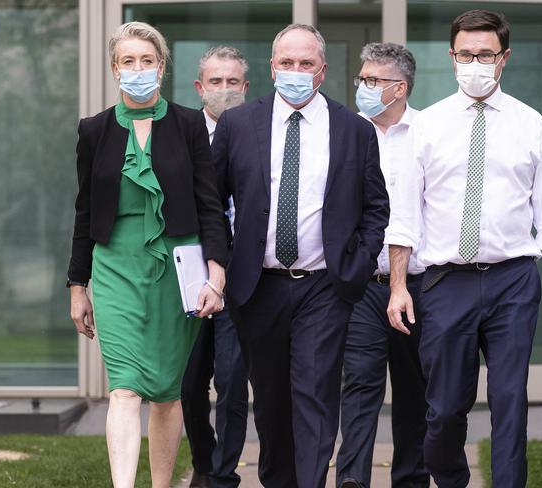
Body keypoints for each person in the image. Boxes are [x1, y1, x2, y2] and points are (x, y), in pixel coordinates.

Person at [386, 9, 542, 488]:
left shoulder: (530, 124)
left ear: (504, 59)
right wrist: (397, 286)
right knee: (445, 410)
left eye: (486, 54)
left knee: (511, 400)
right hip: (444, 283)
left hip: (513, 280)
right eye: (466, 54)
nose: (475, 62)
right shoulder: (426, 127)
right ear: (452, 57)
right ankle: (451, 479)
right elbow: (405, 218)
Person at [213, 24, 389, 488]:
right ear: (272, 67)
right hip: (258, 286)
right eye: (286, 63)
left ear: (323, 70)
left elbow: (376, 207)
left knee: (315, 395)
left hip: (323, 287)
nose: (295, 71)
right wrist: (222, 264)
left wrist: (358, 262)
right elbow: (210, 201)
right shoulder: (237, 125)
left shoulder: (353, 129)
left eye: (306, 63)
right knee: (270, 406)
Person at [67, 21, 228, 488]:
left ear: (161, 66)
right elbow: (83, 212)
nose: (138, 69)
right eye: (128, 62)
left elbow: (209, 205)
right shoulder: (94, 130)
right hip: (114, 263)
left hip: (176, 268)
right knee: (123, 388)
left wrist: (215, 275)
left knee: (165, 393)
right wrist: (79, 287)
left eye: (147, 60)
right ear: (115, 69)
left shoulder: (188, 124)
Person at [336, 43, 428, 488]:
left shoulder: (429, 132)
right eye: (362, 78)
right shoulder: (347, 132)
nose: (363, 87)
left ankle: (410, 479)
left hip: (421, 285)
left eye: (373, 81)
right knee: (359, 387)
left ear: (400, 87)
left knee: (415, 391)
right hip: (364, 285)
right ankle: (352, 480)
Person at [181, 45, 250, 488]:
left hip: (242, 279)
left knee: (230, 383)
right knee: (188, 385)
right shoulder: (183, 135)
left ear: (245, 87)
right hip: (190, 278)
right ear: (199, 87)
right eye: (215, 81)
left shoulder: (257, 133)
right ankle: (204, 464)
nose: (223, 90)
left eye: (232, 82)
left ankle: (223, 475)